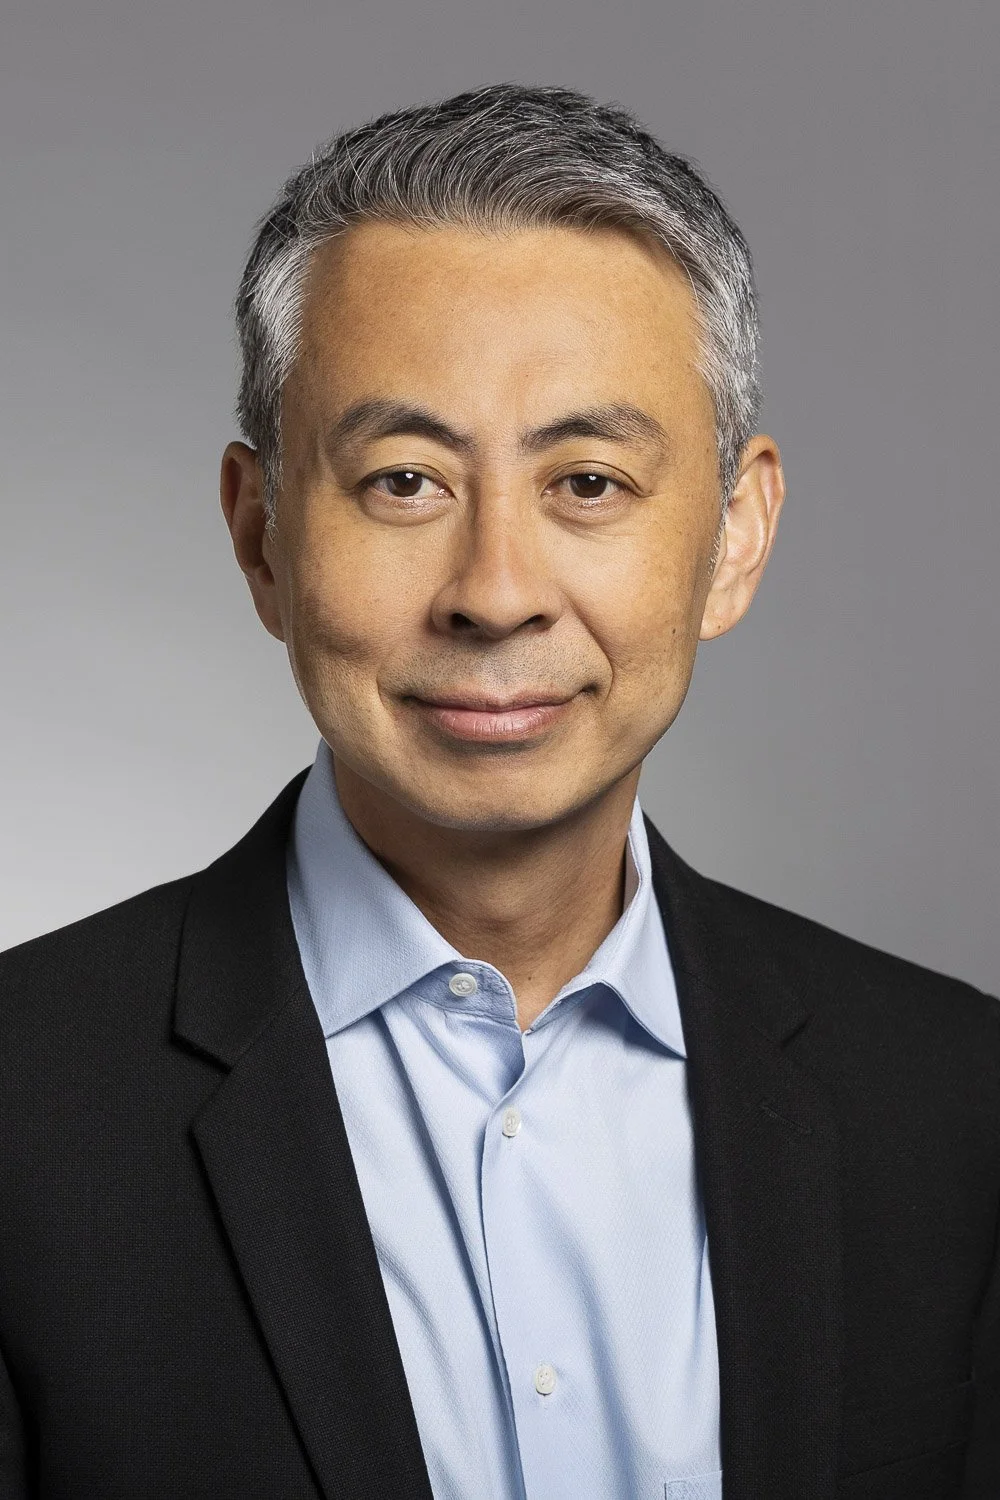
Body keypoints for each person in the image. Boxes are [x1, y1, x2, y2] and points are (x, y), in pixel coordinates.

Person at [0, 83, 996, 1500]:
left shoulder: (955, 1102)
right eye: (404, 482)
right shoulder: (26, 1110)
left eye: (588, 482)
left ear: (734, 537)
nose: (496, 594)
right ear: (260, 535)